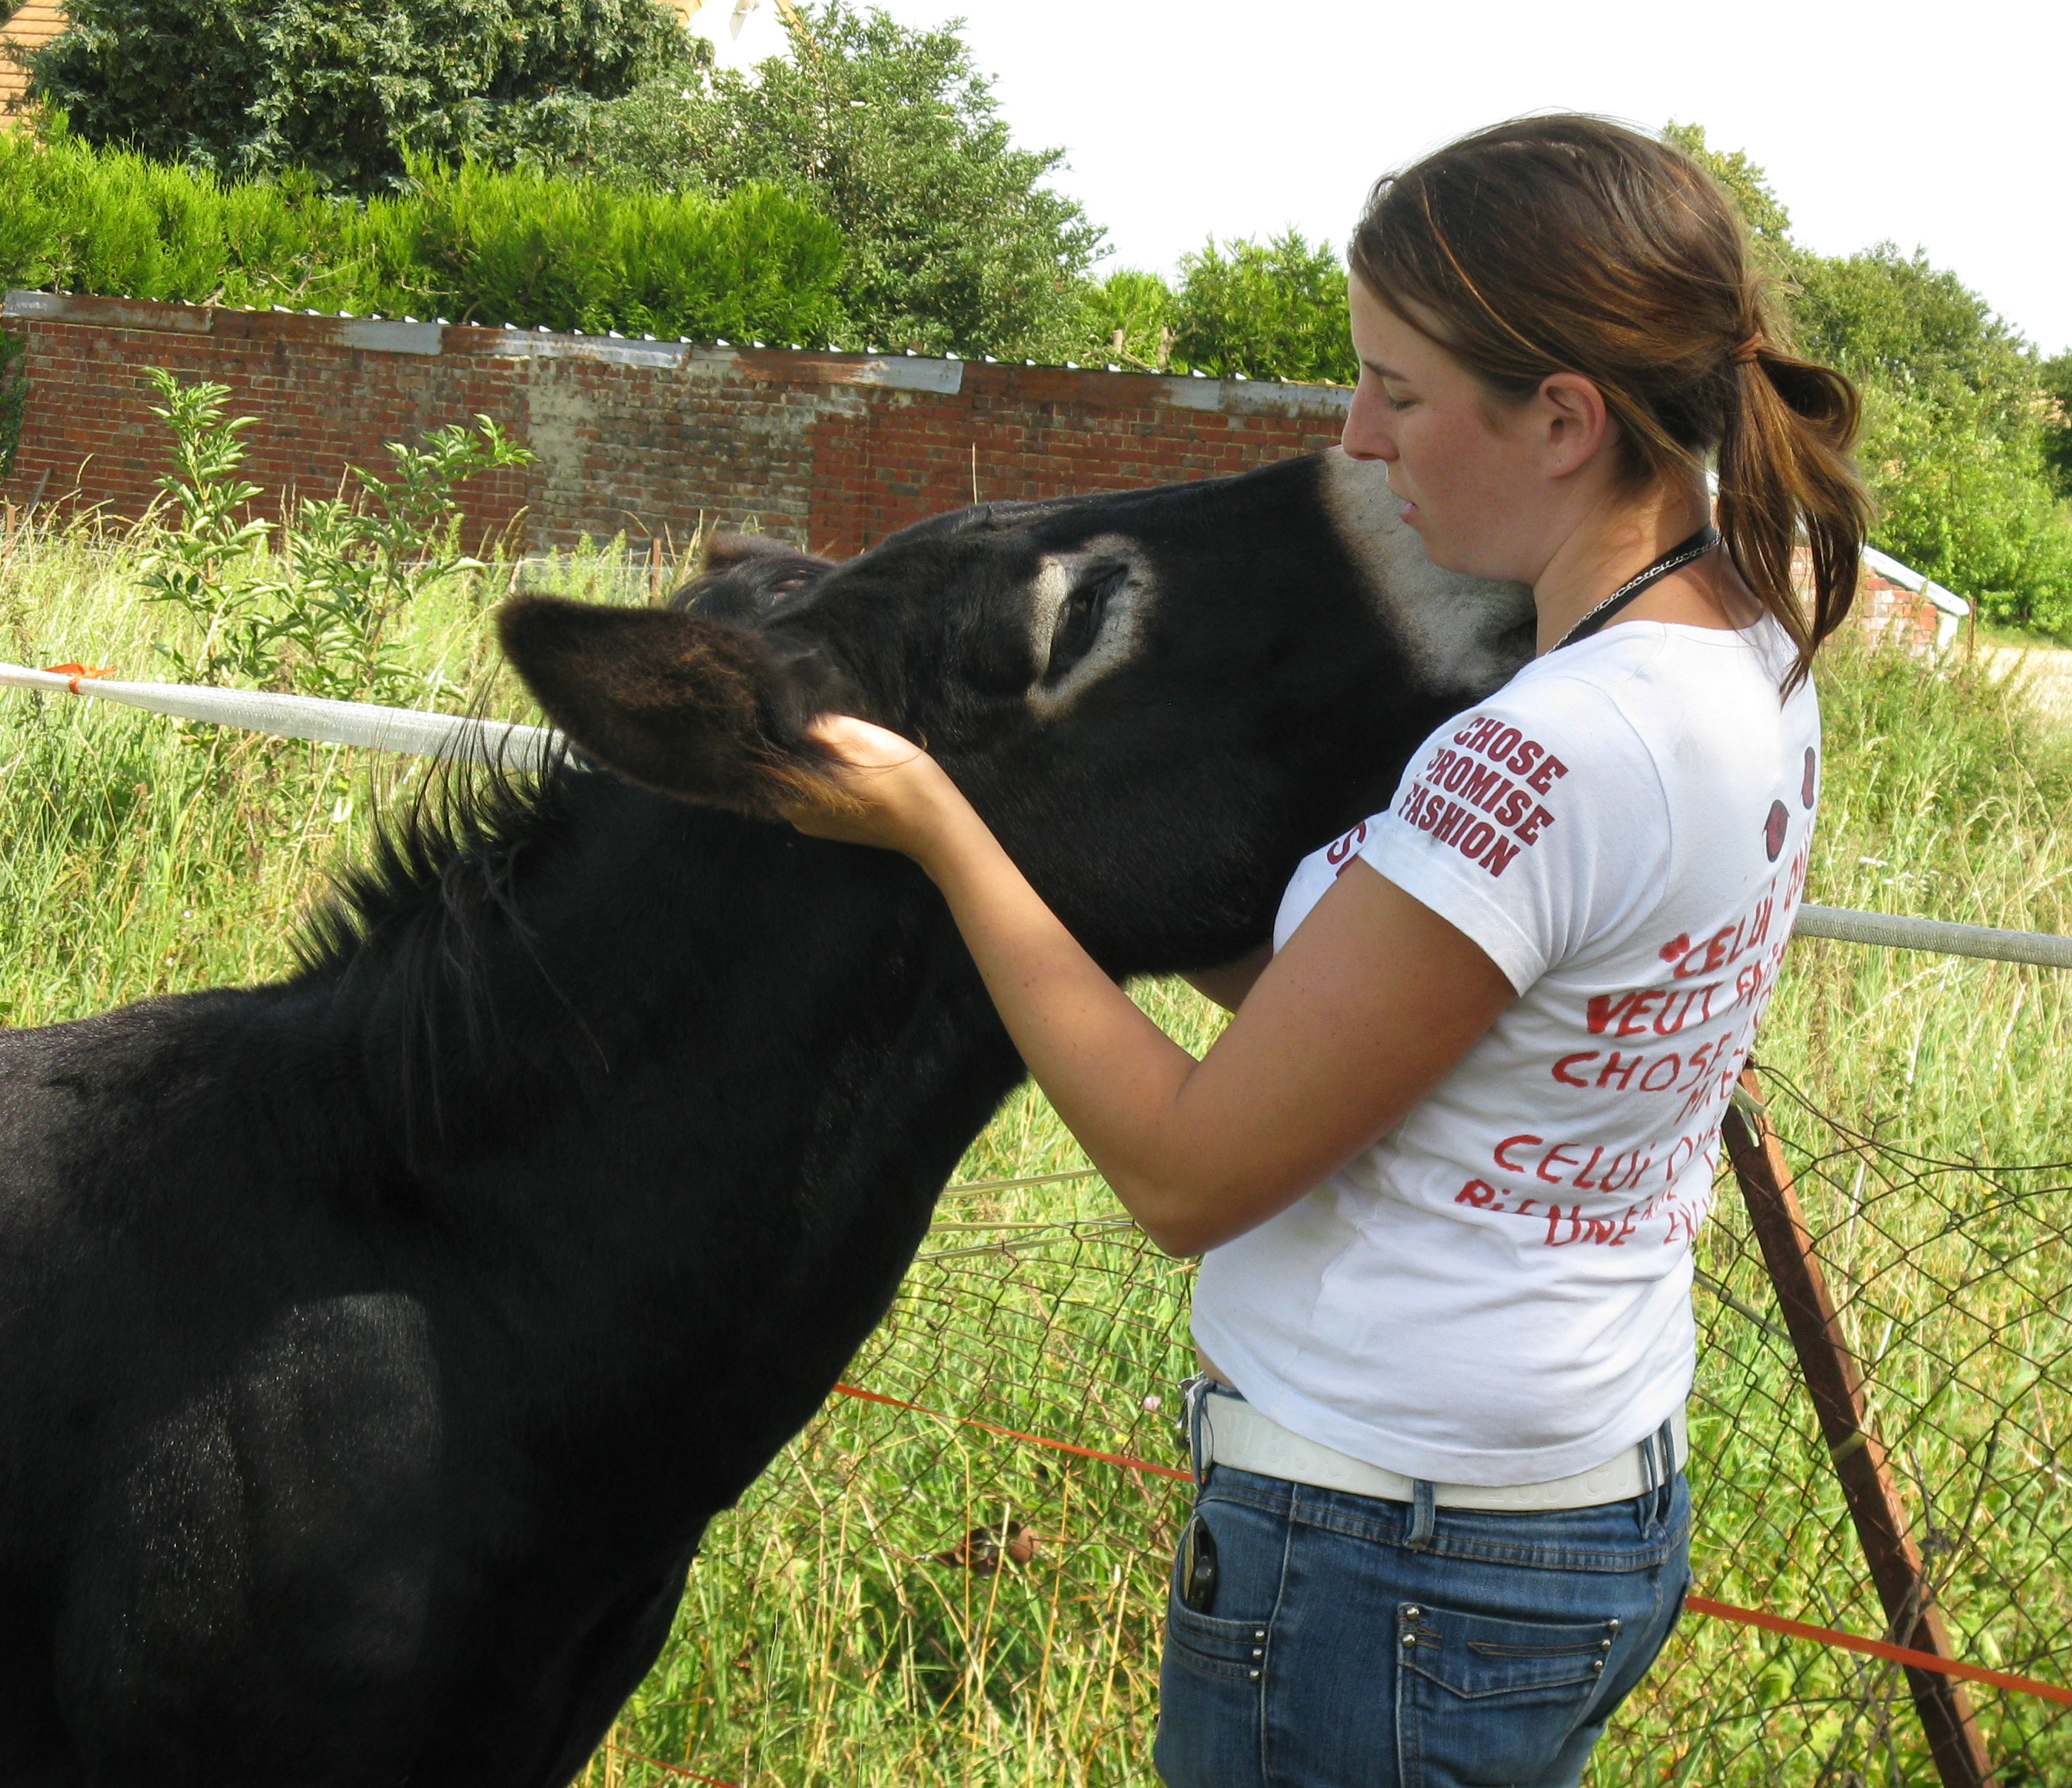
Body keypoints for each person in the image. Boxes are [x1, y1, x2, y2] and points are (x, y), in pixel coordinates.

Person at [780, 114, 1868, 1787]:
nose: (1356, 439)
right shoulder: (1737, 653)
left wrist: (939, 822)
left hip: (1388, 1549)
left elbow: (1184, 1175)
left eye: (1398, 390)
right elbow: (1394, 1021)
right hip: (1565, 1499)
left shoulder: (1548, 752)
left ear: (1566, 419)